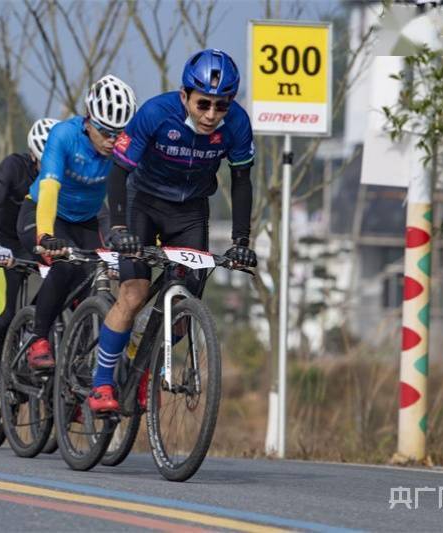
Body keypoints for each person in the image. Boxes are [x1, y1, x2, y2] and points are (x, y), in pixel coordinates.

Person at [89, 48, 259, 413]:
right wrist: (118, 227)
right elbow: (118, 171)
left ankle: (145, 359)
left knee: (183, 303)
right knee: (134, 294)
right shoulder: (155, 113)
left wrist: (241, 241)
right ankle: (101, 384)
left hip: (190, 211)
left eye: (222, 106)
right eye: (203, 104)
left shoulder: (239, 125)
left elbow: (242, 181)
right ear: (184, 96)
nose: (212, 115)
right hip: (142, 203)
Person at [18, 75, 136, 370]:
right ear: (88, 120)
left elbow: (137, 191)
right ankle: (37, 338)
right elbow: (49, 187)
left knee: (93, 282)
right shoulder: (64, 136)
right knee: (65, 265)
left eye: (118, 133)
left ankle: (76, 367)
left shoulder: (124, 146)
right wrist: (45, 235)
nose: (112, 141)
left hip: (86, 220)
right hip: (45, 213)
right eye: (106, 132)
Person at [0, 117, 59, 430]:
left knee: (58, 304)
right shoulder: (14, 167)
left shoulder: (66, 175)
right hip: (6, 248)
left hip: (39, 248)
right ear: (34, 156)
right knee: (0, 320)